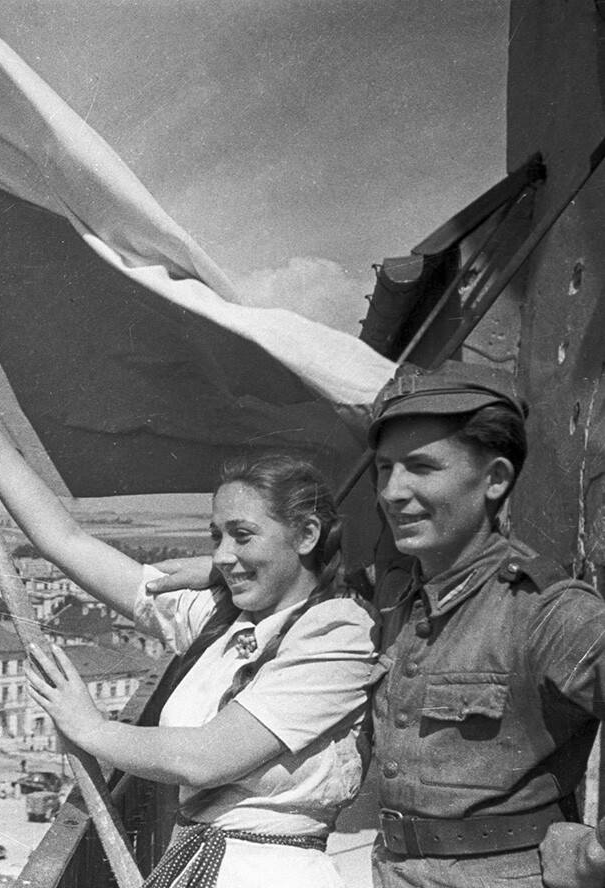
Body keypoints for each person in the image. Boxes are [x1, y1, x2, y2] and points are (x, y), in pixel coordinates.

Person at [0, 332, 379, 888]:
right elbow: (65, 540)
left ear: (305, 534)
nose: (223, 555)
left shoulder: (340, 633)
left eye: (244, 536)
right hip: (191, 866)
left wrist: (91, 728)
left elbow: (206, 759)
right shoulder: (215, 619)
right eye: (215, 536)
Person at [151, 361, 605, 887]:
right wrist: (220, 569)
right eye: (385, 469)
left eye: (421, 467)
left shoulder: (545, 613)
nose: (392, 491)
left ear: (496, 479)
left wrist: (594, 856)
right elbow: (308, 579)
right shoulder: (394, 595)